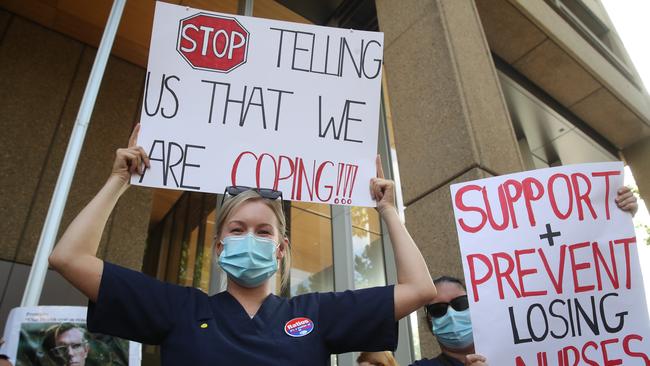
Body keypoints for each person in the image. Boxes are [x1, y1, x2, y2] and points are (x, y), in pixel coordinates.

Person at [48, 124, 438, 365]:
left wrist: (386, 209)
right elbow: (68, 258)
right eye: (236, 230)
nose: (250, 238)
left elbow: (420, 289)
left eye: (263, 232)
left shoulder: (317, 314)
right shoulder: (178, 310)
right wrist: (118, 181)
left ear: (281, 248)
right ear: (218, 248)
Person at [411, 188, 638, 366]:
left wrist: (616, 219)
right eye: (438, 310)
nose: (451, 315)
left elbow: (574, 278)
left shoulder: (533, 353)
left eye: (460, 304)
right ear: (429, 321)